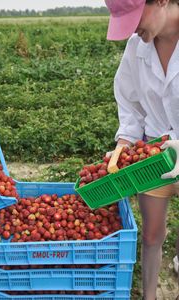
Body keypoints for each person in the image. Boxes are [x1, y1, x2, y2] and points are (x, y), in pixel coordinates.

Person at [104, 0, 179, 299]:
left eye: (134, 17)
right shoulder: (137, 47)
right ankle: (149, 295)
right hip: (154, 156)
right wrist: (124, 146)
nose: (132, 28)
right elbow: (129, 103)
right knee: (151, 234)